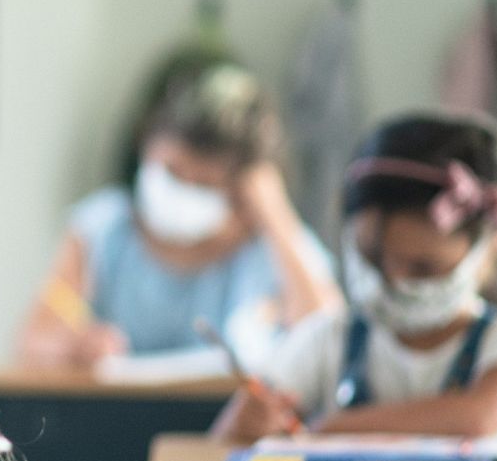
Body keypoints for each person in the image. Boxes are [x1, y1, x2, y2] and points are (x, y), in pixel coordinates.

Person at [212, 113, 497, 449]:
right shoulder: (325, 340)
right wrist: (245, 426)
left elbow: (478, 417)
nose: (393, 281)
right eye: (372, 259)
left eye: (423, 268)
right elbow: (217, 447)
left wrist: (326, 429)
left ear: (487, 253)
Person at [17, 63, 339, 371]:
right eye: (172, 172)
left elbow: (327, 337)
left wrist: (274, 213)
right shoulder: (102, 228)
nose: (183, 189)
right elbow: (34, 339)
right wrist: (75, 347)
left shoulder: (264, 247)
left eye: (202, 185)